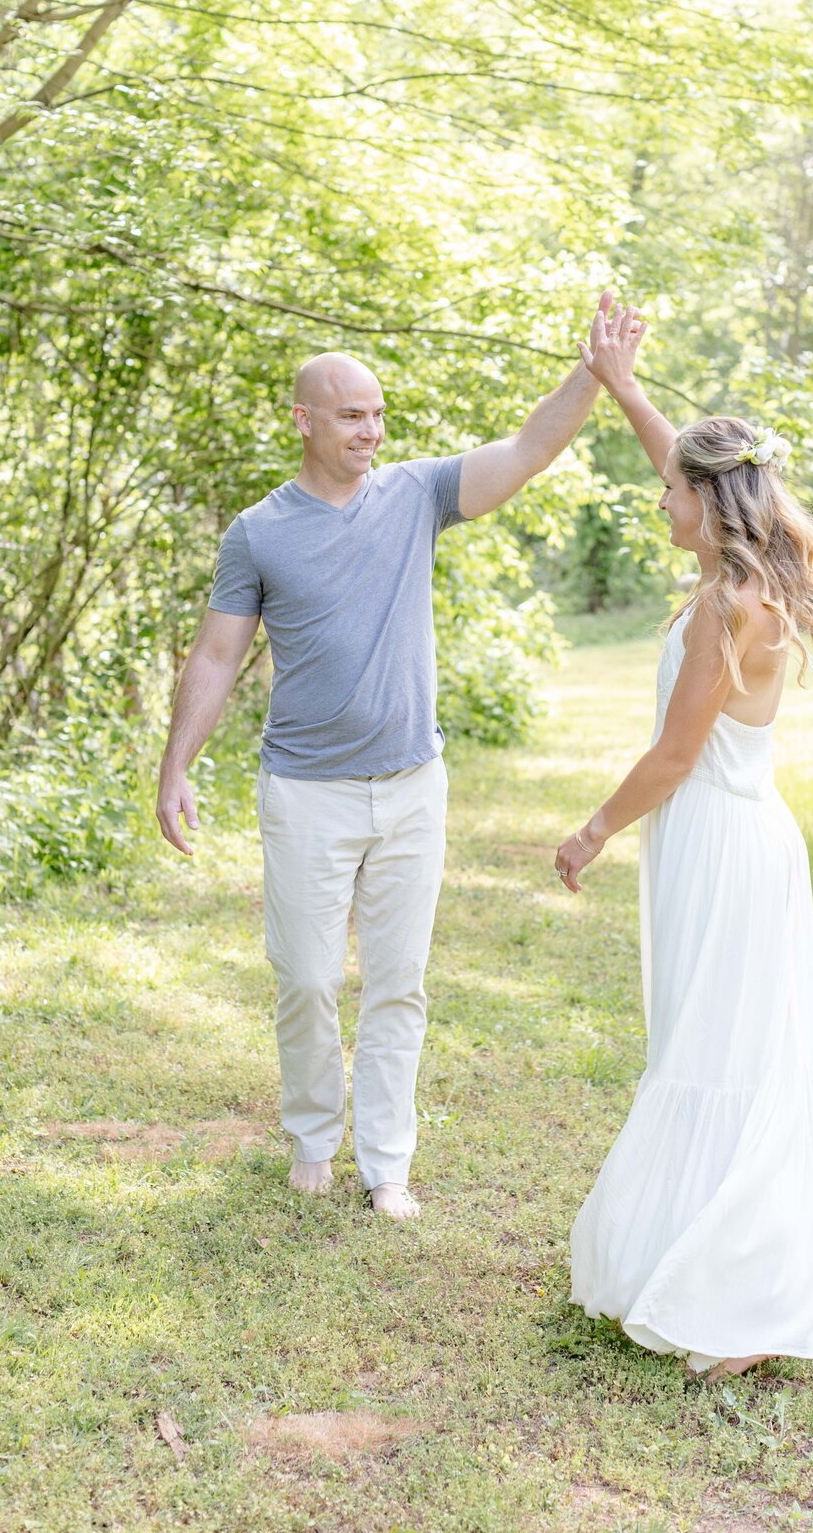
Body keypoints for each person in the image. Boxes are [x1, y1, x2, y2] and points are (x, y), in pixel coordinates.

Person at [156, 293, 628, 1218]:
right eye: (351, 415)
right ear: (304, 420)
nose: (371, 430)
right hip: (305, 793)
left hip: (414, 783)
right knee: (303, 977)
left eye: (377, 414)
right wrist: (175, 765)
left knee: (399, 985)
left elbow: (526, 451)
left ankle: (387, 1166)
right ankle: (309, 1136)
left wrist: (594, 373)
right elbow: (217, 653)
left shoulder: (417, 494)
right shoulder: (259, 532)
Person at [559, 306, 813, 1377]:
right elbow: (690, 463)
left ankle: (740, 1295)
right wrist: (624, 388)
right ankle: (713, 1257)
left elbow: (673, 756)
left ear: (705, 505)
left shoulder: (724, 610)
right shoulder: (748, 579)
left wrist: (593, 829)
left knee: (724, 1052)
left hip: (719, 838)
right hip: (738, 839)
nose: (657, 497)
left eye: (668, 491)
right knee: (723, 1042)